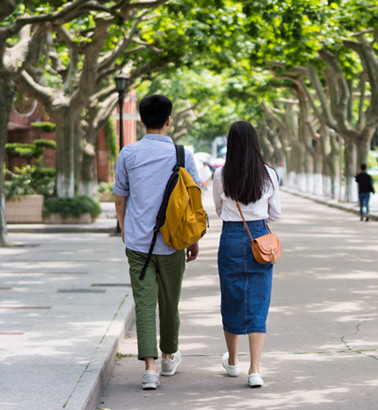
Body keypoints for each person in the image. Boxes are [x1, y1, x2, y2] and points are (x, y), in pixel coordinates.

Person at [113, 95, 201, 390]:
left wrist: (125, 230)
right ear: (168, 120)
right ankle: (167, 356)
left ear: (141, 121)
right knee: (169, 303)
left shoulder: (128, 154)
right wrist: (195, 238)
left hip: (138, 243)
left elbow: (119, 198)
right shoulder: (182, 154)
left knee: (144, 303)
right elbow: (193, 199)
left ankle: (149, 370)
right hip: (174, 241)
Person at [213, 121, 281, 388]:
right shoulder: (268, 174)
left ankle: (232, 362)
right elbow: (275, 214)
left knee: (232, 298)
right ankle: (255, 370)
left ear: (231, 144)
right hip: (261, 240)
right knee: (258, 301)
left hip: (230, 236)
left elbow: (219, 209)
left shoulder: (221, 175)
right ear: (255, 143)